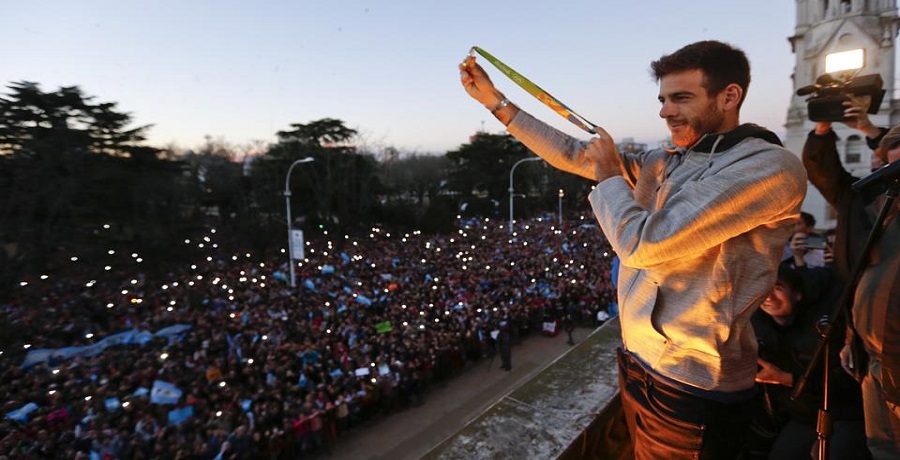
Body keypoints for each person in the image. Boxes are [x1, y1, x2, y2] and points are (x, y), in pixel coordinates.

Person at [460, 40, 806, 459]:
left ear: (729, 96)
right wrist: (498, 104)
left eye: (681, 98)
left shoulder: (768, 167)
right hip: (640, 362)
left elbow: (643, 245)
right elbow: (576, 155)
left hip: (692, 384)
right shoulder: (670, 158)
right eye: (662, 99)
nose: (665, 111)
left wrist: (609, 172)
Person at [802, 100, 900, 458]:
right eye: (881, 167)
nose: (886, 175)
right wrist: (849, 336)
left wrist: (873, 132)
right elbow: (824, 171)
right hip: (870, 357)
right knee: (883, 445)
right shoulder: (864, 203)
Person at [749, 265, 869, 459]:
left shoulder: (826, 324)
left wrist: (788, 379)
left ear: (797, 294)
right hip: (804, 416)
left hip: (844, 414)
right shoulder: (757, 324)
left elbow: (845, 382)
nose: (768, 297)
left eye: (778, 288)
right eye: (765, 289)